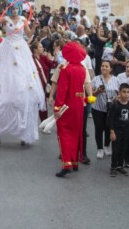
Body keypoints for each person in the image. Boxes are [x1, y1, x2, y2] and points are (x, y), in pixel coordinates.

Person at [0, 0, 46, 145]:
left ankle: (23, 129)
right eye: (12, 9)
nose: (15, 11)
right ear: (9, 9)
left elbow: (29, 33)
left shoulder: (23, 19)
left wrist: (35, 26)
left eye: (16, 9)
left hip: (21, 50)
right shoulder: (5, 19)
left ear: (19, 9)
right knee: (5, 80)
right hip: (7, 49)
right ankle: (0, 126)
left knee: (22, 82)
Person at [54, 42, 88, 177]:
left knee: (64, 134)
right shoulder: (82, 69)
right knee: (75, 133)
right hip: (79, 104)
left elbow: (62, 90)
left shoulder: (66, 69)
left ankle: (67, 163)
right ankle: (74, 162)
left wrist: (57, 107)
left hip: (67, 105)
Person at [92, 61, 120, 159]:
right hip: (98, 108)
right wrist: (98, 91)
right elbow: (91, 94)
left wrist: (115, 98)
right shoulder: (96, 79)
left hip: (111, 108)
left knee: (109, 127)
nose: (104, 68)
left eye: (106, 66)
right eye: (102, 66)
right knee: (99, 128)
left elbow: (119, 93)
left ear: (111, 69)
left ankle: (107, 146)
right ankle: (99, 149)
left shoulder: (116, 80)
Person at [108, 83, 129, 176]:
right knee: (116, 149)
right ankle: (113, 167)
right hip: (117, 131)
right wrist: (112, 132)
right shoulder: (115, 105)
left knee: (123, 148)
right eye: (124, 92)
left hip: (126, 131)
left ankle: (120, 166)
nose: (126, 94)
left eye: (128, 92)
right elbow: (110, 119)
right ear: (119, 93)